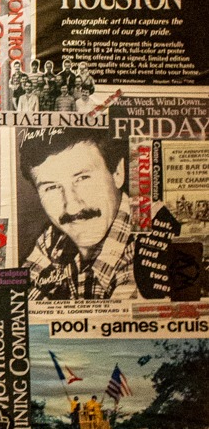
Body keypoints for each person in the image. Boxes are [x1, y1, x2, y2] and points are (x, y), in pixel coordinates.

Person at [19, 128, 135, 301]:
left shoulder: (145, 252)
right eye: (51, 188)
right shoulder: (53, 241)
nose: (72, 208)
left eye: (82, 178)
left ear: (118, 172)